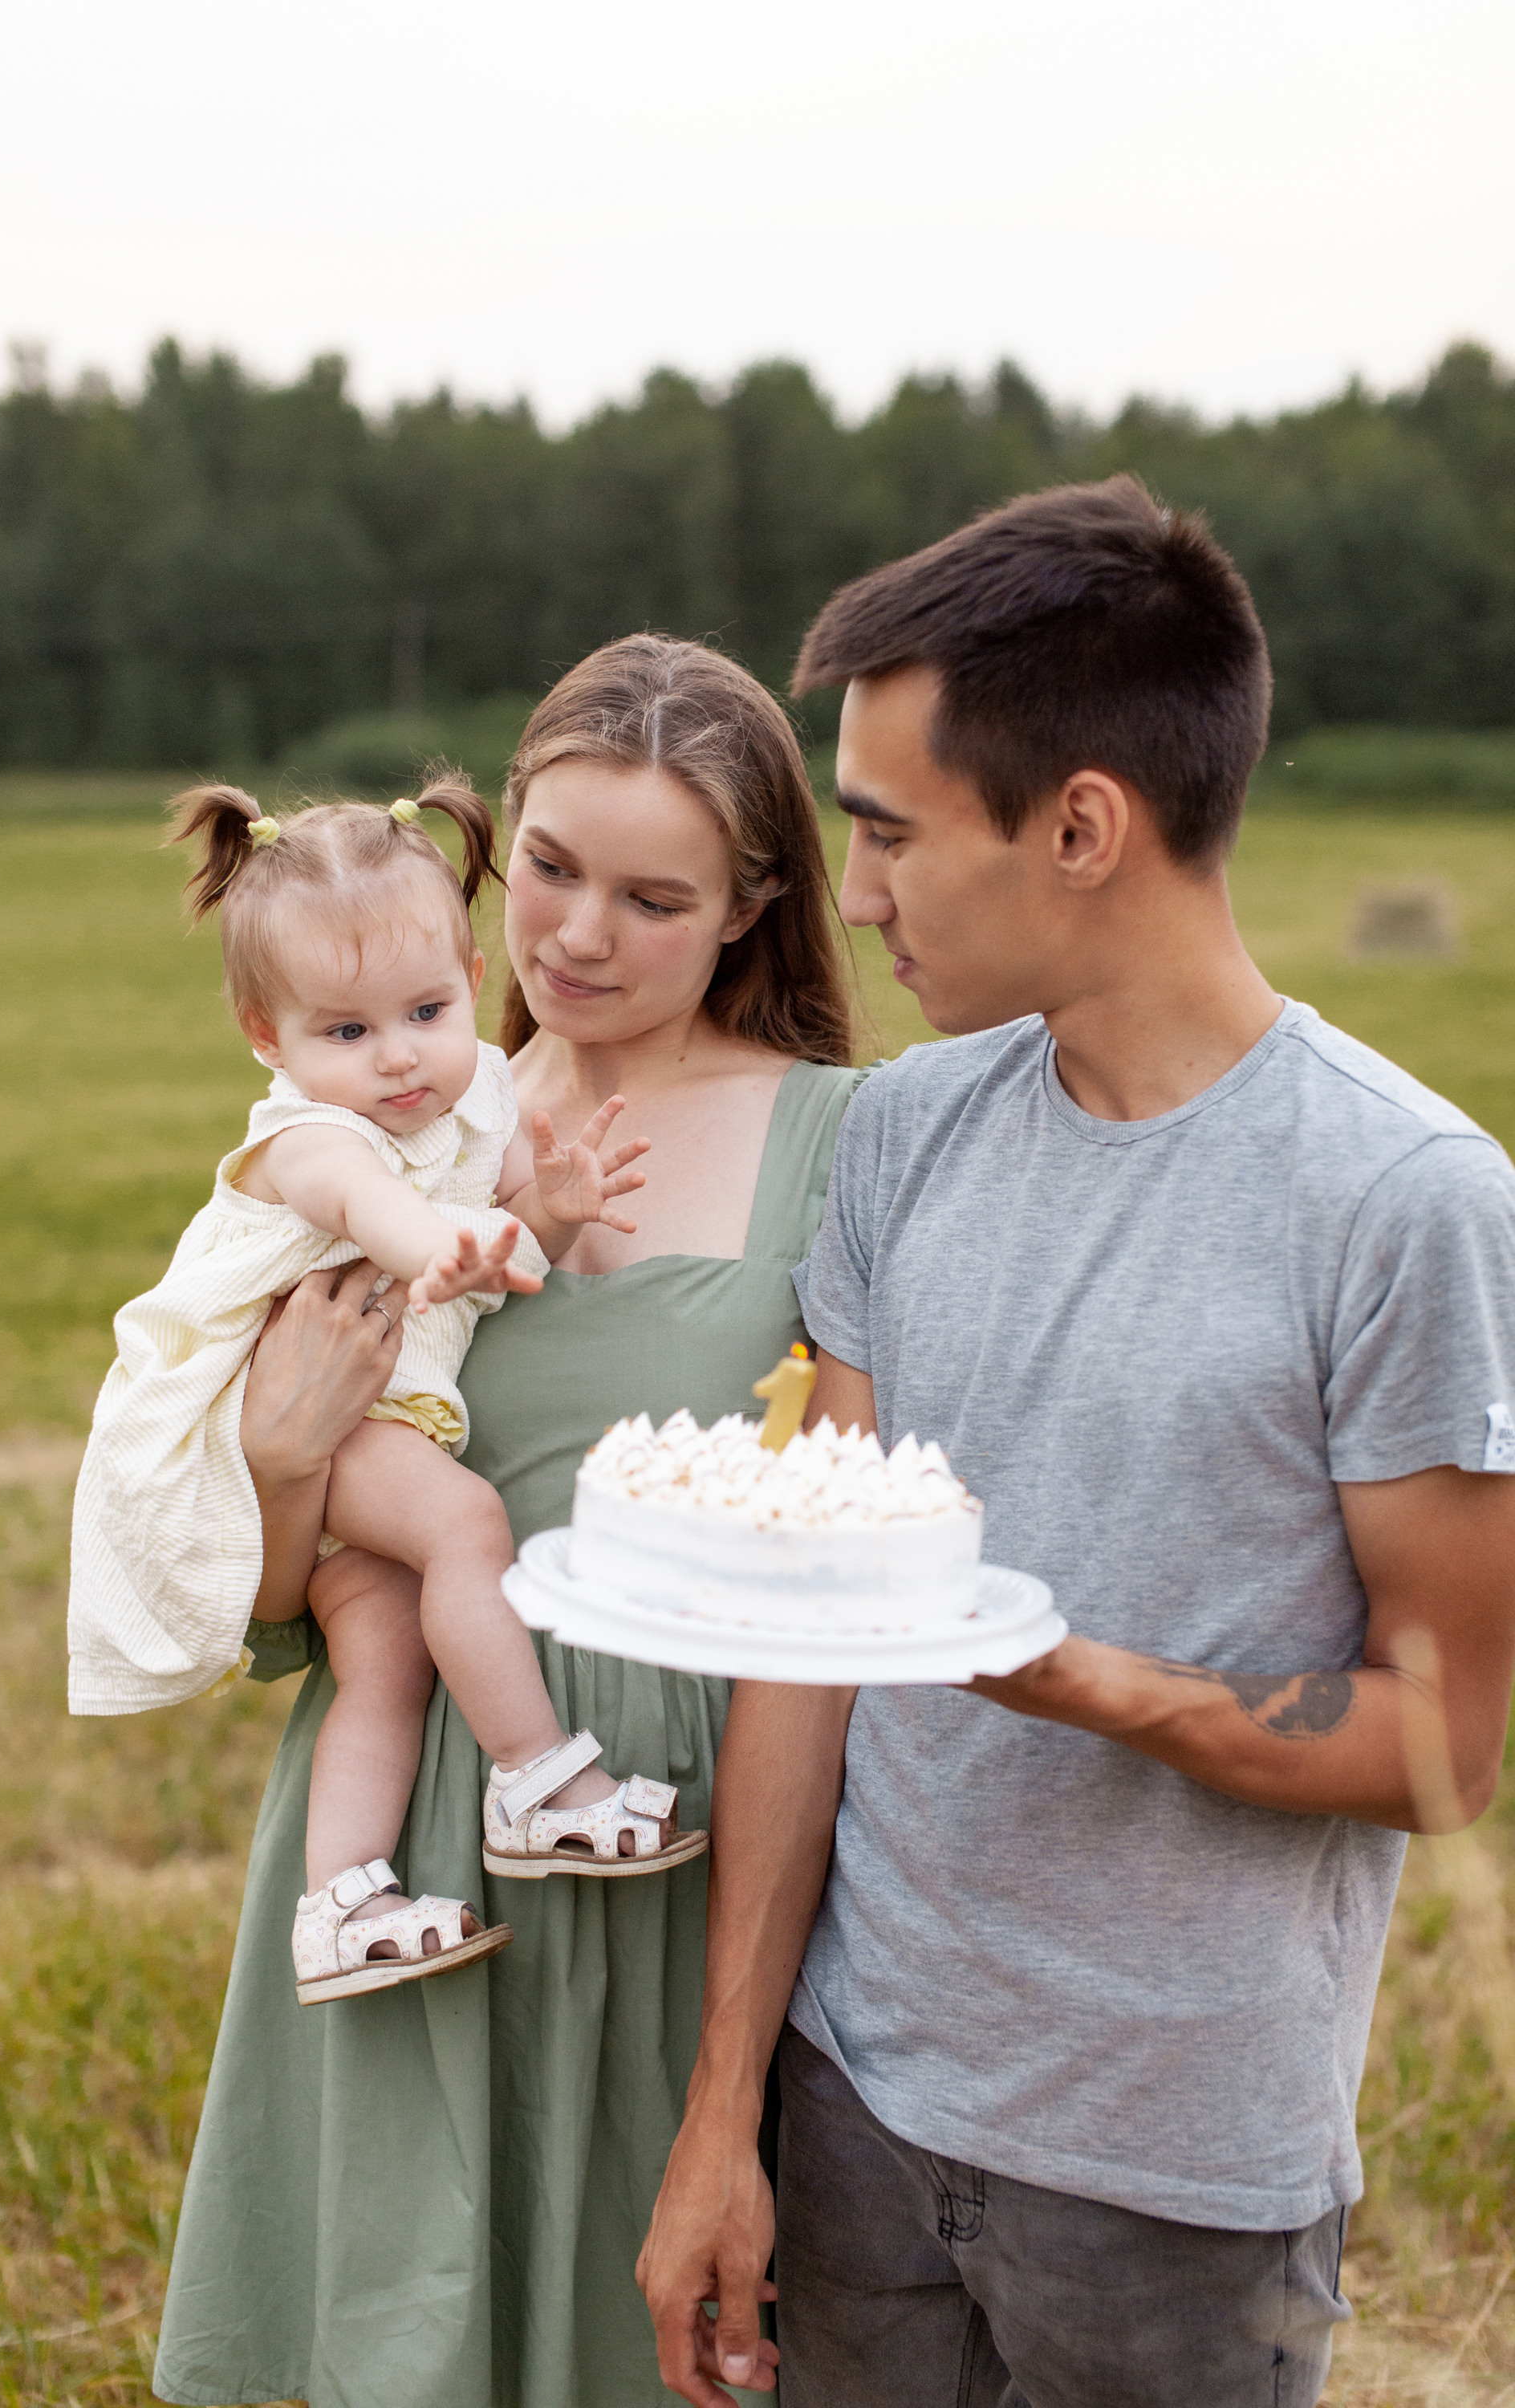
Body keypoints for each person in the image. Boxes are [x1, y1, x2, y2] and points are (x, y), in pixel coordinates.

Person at [638, 478, 1515, 2408]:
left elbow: (1441, 1746)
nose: (852, 898)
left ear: (1083, 825)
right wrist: (726, 2116)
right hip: (855, 2103)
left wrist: (1107, 1688)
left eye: (885, 834)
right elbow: (815, 1647)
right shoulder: (899, 1137)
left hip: (1179, 2183)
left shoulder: (1404, 1203)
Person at [152, 637, 865, 2407]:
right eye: (546, 868)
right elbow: (278, 1618)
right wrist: (278, 1463)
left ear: (752, 902)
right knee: (406, 2328)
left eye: (652, 894)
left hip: (664, 1816)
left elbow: (841, 1587)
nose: (577, 936)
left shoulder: (842, 1135)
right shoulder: (393, 1126)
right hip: (405, 1821)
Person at [74, 771, 705, 2013]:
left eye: (422, 1010)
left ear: (472, 982)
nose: (397, 1058)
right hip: (315, 1404)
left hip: (383, 1409)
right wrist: (455, 1249)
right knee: (468, 1525)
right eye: (346, 1033)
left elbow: (497, 1242)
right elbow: (392, 1222)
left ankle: (345, 1903)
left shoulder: (482, 1095)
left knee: (387, 1655)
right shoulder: (307, 1139)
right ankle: (535, 1781)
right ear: (271, 1037)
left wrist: (549, 1212)